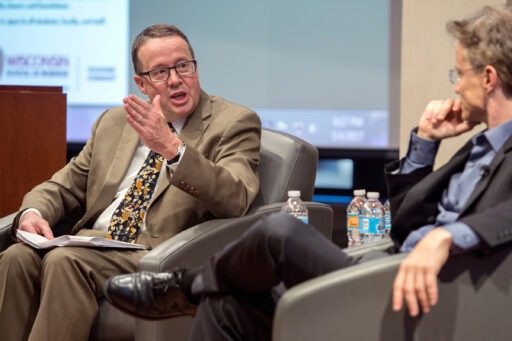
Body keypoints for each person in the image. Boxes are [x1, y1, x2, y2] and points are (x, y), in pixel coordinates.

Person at [105, 5, 512, 340]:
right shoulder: (479, 147)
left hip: (420, 289)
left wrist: (448, 236)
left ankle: (185, 286)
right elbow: (405, 225)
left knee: (278, 231)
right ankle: (197, 289)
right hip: (386, 266)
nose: (456, 87)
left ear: (489, 78)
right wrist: (424, 143)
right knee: (225, 305)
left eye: (460, 74)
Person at [0, 24, 261, 340]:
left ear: (196, 68)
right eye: (161, 72)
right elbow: (63, 186)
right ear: (141, 84)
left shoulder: (234, 122)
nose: (177, 79)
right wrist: (33, 214)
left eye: (183, 66)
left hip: (160, 252)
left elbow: (236, 196)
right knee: (16, 258)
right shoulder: (113, 122)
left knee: (65, 261)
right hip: (92, 242)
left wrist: (173, 149)